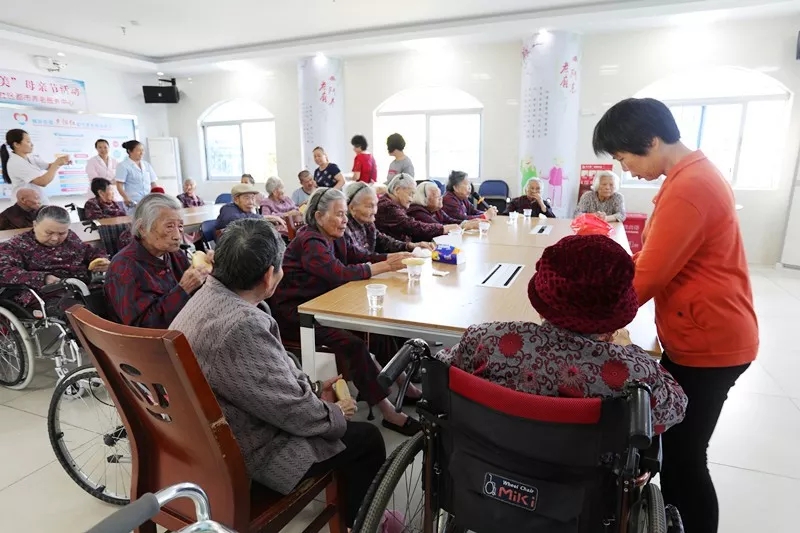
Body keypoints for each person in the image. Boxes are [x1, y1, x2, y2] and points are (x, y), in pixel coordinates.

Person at [592, 97, 758, 533]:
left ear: (651, 140)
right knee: (674, 448)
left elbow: (649, 275)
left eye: (623, 156)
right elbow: (653, 257)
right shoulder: (686, 176)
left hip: (710, 340)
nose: (625, 168)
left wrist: (594, 323)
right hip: (701, 329)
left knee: (684, 458)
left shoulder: (690, 186)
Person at [170, 218, 385, 527]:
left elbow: (259, 383)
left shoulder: (204, 297)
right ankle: (360, 524)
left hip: (199, 442)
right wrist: (334, 412)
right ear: (269, 276)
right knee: (366, 439)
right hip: (243, 454)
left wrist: (312, 391)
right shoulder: (241, 325)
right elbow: (294, 413)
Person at [437, 235, 687, 430]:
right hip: (580, 477)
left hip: (486, 463)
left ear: (540, 304)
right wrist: (627, 349)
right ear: (613, 324)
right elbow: (676, 407)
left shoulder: (487, 340)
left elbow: (440, 367)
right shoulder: (635, 372)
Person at [270, 187, 421, 436]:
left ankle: (403, 382)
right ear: (319, 217)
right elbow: (338, 273)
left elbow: (359, 256)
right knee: (353, 344)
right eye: (339, 214)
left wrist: (394, 258)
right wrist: (386, 265)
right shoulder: (310, 241)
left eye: (345, 215)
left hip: (325, 304)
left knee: (377, 327)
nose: (344, 220)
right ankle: (388, 412)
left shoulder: (335, 236)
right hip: (297, 314)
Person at [104, 194, 211, 328]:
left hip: (185, 325)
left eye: (180, 226)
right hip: (154, 339)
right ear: (143, 229)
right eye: (169, 226)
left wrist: (211, 271)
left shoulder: (174, 254)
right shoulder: (123, 268)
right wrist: (183, 289)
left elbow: (200, 295)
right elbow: (143, 326)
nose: (178, 236)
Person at [0, 206, 109, 309]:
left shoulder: (70, 237)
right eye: (49, 232)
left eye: (62, 233)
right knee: (77, 309)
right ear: (35, 225)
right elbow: (4, 272)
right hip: (47, 294)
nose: (55, 238)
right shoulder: (16, 245)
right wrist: (43, 278)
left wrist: (100, 260)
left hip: (82, 287)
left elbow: (90, 251)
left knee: (113, 295)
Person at [345, 182, 433, 256]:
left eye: (375, 205)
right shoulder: (344, 228)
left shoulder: (367, 223)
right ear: (352, 208)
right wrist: (388, 259)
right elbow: (359, 257)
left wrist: (411, 246)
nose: (375, 211)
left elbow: (384, 242)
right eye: (369, 206)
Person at [375, 174, 461, 243]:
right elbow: (411, 226)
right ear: (397, 190)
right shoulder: (387, 206)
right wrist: (443, 229)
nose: (411, 199)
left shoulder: (394, 204)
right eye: (410, 194)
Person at [1, 129, 70, 204]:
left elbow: (49, 166)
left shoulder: (30, 157)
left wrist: (62, 162)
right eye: (28, 142)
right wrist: (57, 164)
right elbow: (43, 182)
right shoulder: (16, 163)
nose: (32, 144)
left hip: (37, 199)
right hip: (26, 203)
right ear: (16, 144)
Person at [407, 182, 481, 230]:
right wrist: (463, 225)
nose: (441, 198)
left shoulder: (436, 209)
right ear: (424, 199)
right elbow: (439, 228)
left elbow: (449, 220)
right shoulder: (418, 212)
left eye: (441, 195)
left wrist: (467, 222)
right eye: (437, 197)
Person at [216, 183, 287, 233]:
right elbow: (238, 219)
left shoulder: (246, 211)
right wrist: (267, 217)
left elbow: (252, 217)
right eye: (247, 198)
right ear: (236, 200)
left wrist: (271, 219)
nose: (251, 202)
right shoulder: (227, 209)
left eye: (252, 198)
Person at [115, 140, 158, 208]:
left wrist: (158, 196)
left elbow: (153, 183)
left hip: (148, 201)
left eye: (142, 150)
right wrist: (126, 197)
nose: (141, 153)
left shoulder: (146, 165)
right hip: (133, 202)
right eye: (138, 150)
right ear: (130, 151)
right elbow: (119, 185)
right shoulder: (123, 165)